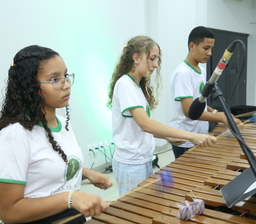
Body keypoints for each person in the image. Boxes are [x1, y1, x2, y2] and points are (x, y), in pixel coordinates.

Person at [0, 45, 112, 224]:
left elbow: (46, 168)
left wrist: (86, 173)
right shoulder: (15, 134)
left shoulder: (62, 123)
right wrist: (70, 198)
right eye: (55, 79)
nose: (66, 84)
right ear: (30, 85)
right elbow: (8, 212)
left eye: (66, 76)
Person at [107, 35, 216, 196]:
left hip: (142, 159)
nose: (156, 64)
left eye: (157, 59)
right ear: (136, 58)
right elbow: (145, 124)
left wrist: (167, 138)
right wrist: (191, 135)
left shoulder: (136, 85)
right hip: (131, 164)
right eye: (152, 59)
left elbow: (141, 127)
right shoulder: (125, 84)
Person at [169, 26, 242, 159]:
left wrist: (214, 112)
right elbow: (189, 111)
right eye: (206, 48)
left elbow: (199, 101)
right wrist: (220, 117)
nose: (210, 53)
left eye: (211, 49)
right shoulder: (183, 73)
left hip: (199, 135)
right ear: (192, 46)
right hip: (185, 138)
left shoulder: (201, 71)